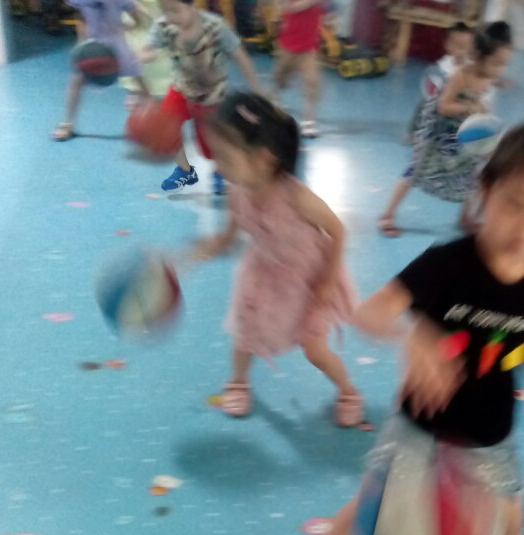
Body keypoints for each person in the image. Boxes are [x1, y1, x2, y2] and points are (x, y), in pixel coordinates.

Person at [270, 123, 524, 535]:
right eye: (515, 204)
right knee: (367, 510)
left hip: (491, 431)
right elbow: (369, 313)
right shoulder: (448, 265)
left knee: (510, 522)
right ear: (484, 191)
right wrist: (413, 334)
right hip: (421, 425)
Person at [191, 93, 363, 424]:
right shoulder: (237, 191)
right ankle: (238, 382)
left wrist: (328, 281)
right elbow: (232, 232)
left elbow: (338, 231)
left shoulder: (297, 198)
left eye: (225, 157)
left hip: (309, 279)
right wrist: (214, 245)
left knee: (315, 350)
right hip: (262, 275)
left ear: (264, 159)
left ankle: (349, 391)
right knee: (245, 335)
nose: (217, 165)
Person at [378, 22, 513, 238]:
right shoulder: (461, 75)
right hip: (439, 131)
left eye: (504, 64)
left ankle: (466, 217)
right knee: (416, 170)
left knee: (470, 173)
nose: (500, 70)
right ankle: (388, 214)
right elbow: (444, 106)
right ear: (479, 56)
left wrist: (488, 134)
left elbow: (484, 106)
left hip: (464, 134)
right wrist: (469, 107)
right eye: (496, 63)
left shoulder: (488, 78)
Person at [142, 0, 264, 195]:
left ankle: (219, 170)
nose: (171, 16)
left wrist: (257, 92)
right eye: (166, 11)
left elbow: (241, 56)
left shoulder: (216, 27)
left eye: (176, 10)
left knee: (211, 144)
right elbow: (148, 49)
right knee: (165, 126)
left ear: (192, 7)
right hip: (182, 87)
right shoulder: (164, 26)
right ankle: (185, 170)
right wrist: (145, 55)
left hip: (212, 94)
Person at [53, 0, 151, 141]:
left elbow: (136, 19)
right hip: (100, 48)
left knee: (141, 83)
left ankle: (154, 118)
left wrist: (123, 27)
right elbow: (81, 19)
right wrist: (82, 44)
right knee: (76, 81)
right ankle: (68, 123)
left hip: (112, 49)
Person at [405, 22, 475, 143]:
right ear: (448, 45)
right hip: (442, 101)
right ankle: (415, 133)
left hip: (462, 102)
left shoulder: (473, 67)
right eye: (458, 46)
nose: (462, 51)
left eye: (466, 47)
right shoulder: (440, 68)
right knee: (425, 106)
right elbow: (431, 87)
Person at [274, 0, 324, 138]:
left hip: (309, 48)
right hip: (288, 45)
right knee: (281, 76)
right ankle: (276, 98)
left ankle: (309, 121)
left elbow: (329, 10)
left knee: (312, 81)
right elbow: (292, 7)